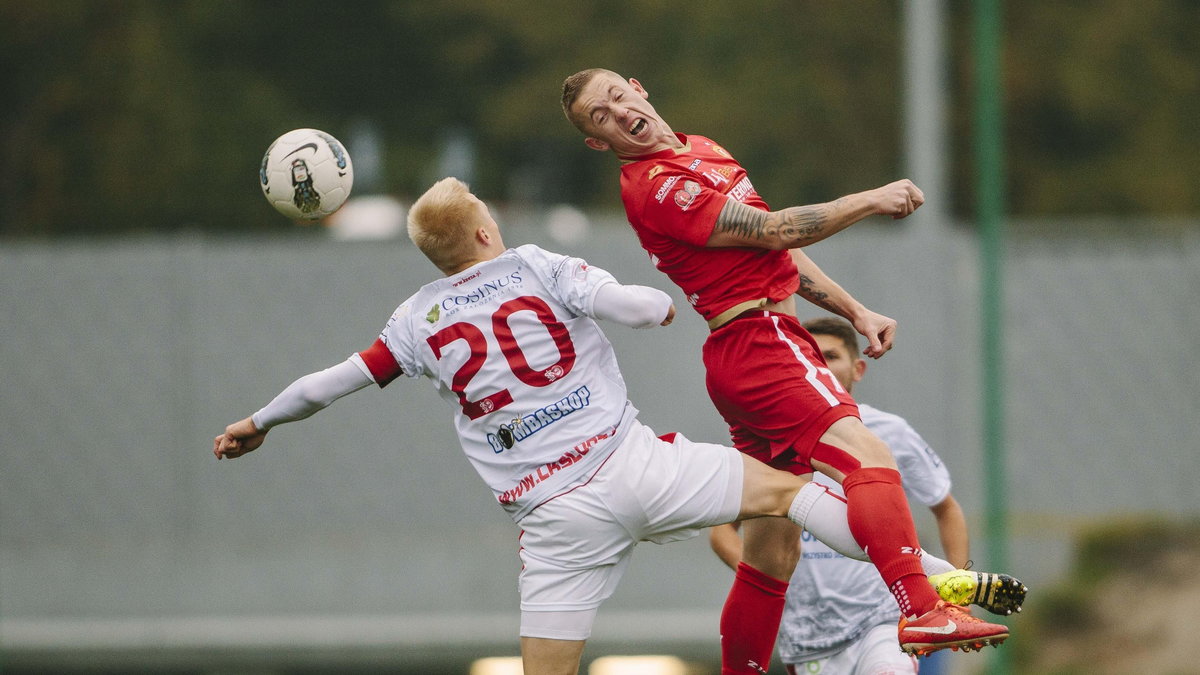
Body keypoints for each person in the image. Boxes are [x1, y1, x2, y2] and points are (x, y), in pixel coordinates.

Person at [213, 177, 945, 675]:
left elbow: (331, 382)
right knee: (788, 495)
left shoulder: (415, 320)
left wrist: (260, 420)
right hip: (633, 464)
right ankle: (925, 577)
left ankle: (923, 580)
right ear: (483, 228)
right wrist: (654, 307)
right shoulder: (532, 263)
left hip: (555, 517)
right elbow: (625, 301)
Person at [560, 68, 1021, 672]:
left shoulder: (702, 150)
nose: (618, 113)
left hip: (756, 346)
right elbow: (772, 228)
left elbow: (776, 247)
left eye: (618, 97)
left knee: (771, 554)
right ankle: (921, 605)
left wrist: (853, 310)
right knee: (870, 457)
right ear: (598, 141)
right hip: (760, 344)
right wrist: (868, 199)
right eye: (601, 117)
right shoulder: (655, 186)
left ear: (639, 88)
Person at [711, 317, 1025, 674]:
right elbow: (722, 531)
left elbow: (946, 507)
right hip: (811, 632)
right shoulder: (767, 436)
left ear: (858, 368)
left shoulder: (889, 432)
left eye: (830, 356)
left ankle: (936, 589)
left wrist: (956, 594)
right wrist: (774, 581)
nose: (820, 366)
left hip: (884, 618)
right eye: (809, 357)